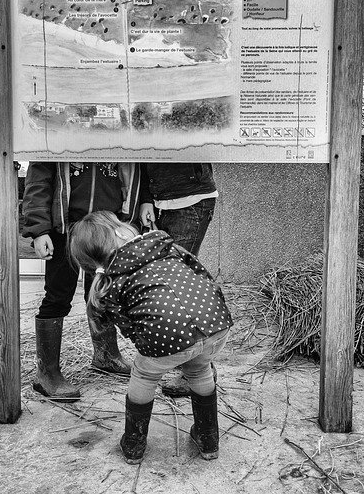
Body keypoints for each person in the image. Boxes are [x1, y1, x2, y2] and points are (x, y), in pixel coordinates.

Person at [69, 210, 233, 464]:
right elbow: (203, 275)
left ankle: (134, 444)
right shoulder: (167, 246)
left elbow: (127, 326)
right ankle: (208, 439)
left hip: (170, 337)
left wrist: (152, 345)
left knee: (144, 373)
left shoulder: (110, 281)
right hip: (215, 324)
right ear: (123, 231)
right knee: (199, 370)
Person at [22, 161, 141, 401]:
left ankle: (106, 355)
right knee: (57, 296)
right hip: (65, 229)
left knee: (103, 293)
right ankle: (47, 373)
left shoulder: (111, 135)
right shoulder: (54, 136)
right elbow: (38, 183)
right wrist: (39, 229)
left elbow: (134, 172)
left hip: (104, 229)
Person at [139, 163, 218, 395]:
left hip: (190, 199)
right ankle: (194, 367)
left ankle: (200, 370)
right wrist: (147, 199)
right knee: (173, 289)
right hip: (164, 201)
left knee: (181, 291)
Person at [139, 163, 217, 257]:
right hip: (165, 199)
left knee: (173, 266)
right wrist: (146, 199)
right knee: (168, 266)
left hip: (189, 198)